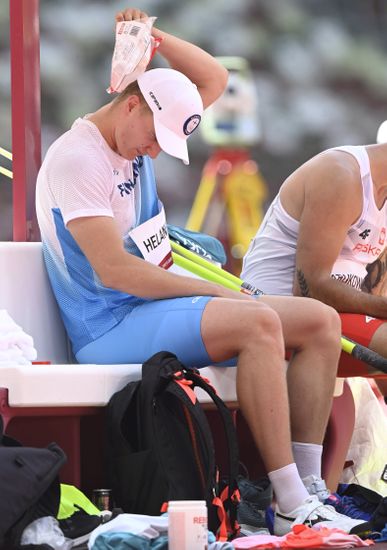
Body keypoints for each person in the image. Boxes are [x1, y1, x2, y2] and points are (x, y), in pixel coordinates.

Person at [35, 7, 364, 536]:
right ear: (133, 106)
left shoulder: (136, 128)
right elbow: (117, 272)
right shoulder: (79, 159)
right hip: (107, 327)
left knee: (319, 322)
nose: (156, 151)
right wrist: (213, 290)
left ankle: (311, 492)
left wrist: (154, 38)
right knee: (257, 323)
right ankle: (287, 502)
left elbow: (213, 78)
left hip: (150, 308)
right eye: (155, 139)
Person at [242, 143, 387, 398]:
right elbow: (311, 289)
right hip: (280, 309)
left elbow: (376, 290)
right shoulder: (341, 175)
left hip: (335, 313)